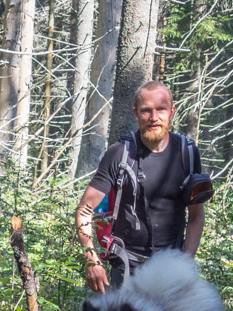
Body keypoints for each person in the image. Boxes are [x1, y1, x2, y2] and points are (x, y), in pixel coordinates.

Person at [74, 81, 210, 292]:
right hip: (127, 267)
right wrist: (91, 260)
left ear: (171, 112)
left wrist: (187, 262)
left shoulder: (187, 154)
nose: (154, 118)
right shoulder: (119, 154)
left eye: (160, 110)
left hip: (172, 269)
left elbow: (196, 215)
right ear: (136, 113)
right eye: (146, 111)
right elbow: (84, 209)